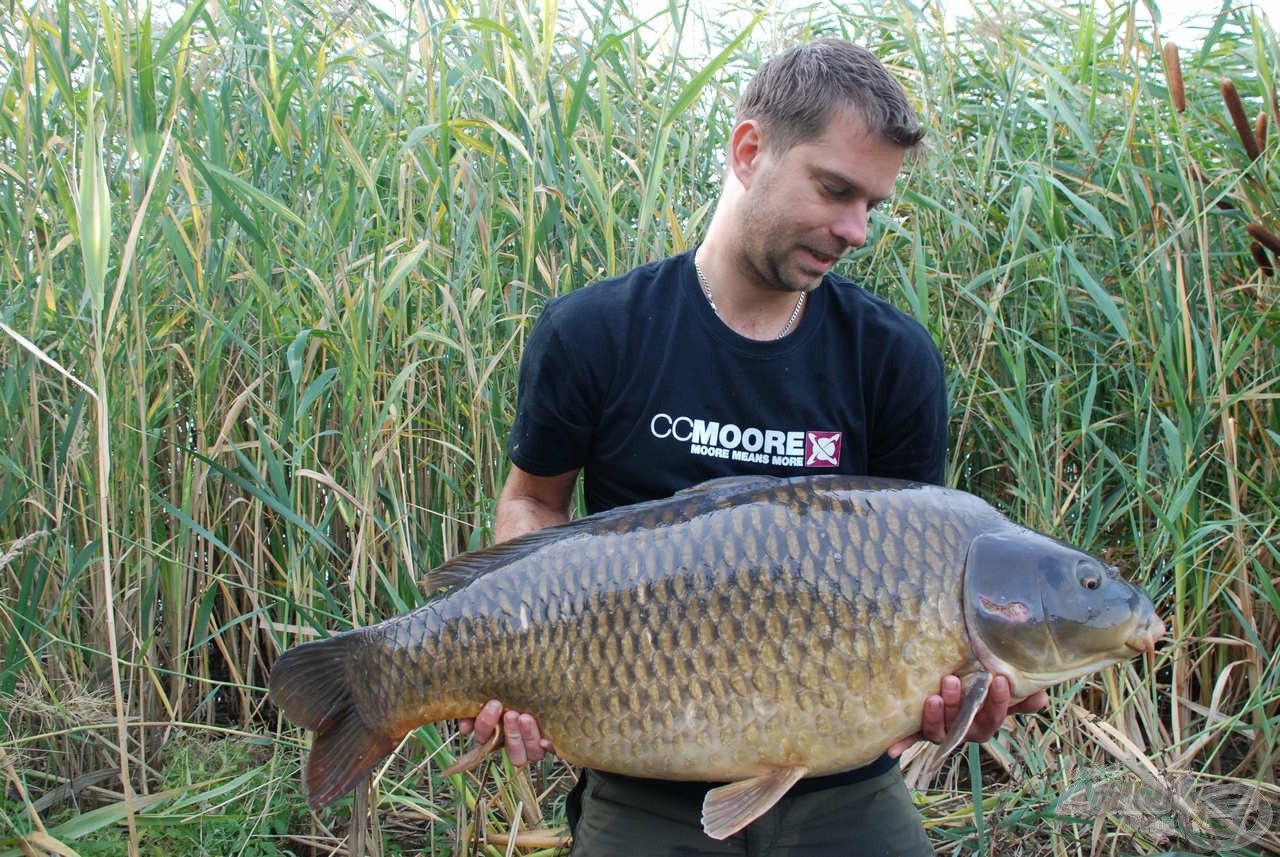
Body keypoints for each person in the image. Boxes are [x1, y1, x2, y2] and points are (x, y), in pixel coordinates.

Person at [460, 38, 1048, 855]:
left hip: (842, 778)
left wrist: (959, 702)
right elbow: (533, 501)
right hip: (645, 768)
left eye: (872, 203)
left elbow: (929, 575)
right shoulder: (595, 333)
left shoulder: (893, 358)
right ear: (749, 151)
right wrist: (508, 649)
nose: (856, 229)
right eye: (836, 190)